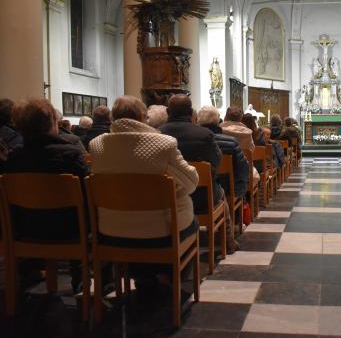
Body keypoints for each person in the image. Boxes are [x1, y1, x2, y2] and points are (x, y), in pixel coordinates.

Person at [89, 95, 199, 294]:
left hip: (110, 232)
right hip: (160, 234)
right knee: (191, 224)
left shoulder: (96, 145)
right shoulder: (163, 144)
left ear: (113, 117)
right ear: (142, 116)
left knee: (134, 222)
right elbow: (191, 183)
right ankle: (169, 277)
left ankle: (143, 278)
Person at [2, 99, 89, 292]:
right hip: (70, 231)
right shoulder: (71, 154)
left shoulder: (14, 158)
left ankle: (27, 272)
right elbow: (88, 196)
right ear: (52, 122)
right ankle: (82, 278)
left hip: (26, 229)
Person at [159, 96, 239, 253]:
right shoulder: (204, 134)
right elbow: (216, 161)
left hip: (168, 197)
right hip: (203, 197)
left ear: (168, 111)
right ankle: (228, 240)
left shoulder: (158, 134)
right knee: (221, 195)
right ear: (191, 112)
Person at [197, 106, 249, 199]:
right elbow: (243, 169)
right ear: (217, 120)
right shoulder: (231, 142)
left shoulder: (191, 141)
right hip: (228, 189)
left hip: (197, 190)